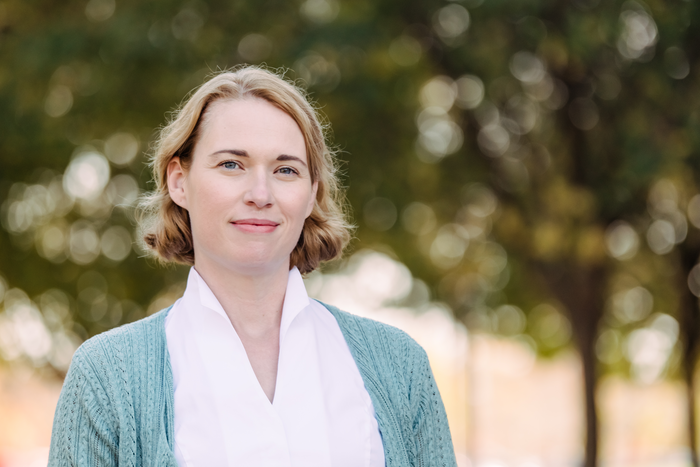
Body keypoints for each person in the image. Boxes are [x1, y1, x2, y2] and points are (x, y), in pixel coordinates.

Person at [48, 66, 456, 467]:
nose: (261, 194)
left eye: (285, 170)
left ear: (312, 192)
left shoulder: (400, 366)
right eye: (231, 165)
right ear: (179, 180)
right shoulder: (106, 376)